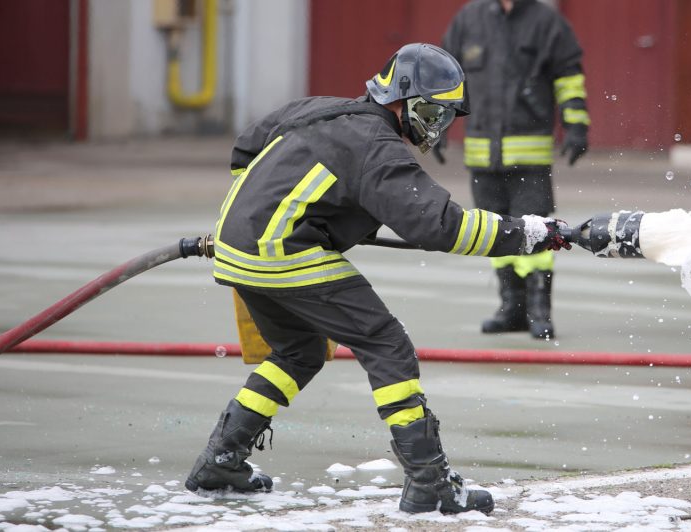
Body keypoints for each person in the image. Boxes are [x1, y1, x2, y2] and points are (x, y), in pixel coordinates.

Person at [184, 43, 571, 515]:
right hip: (281, 251)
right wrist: (530, 232)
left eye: (445, 116)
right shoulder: (377, 148)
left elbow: (245, 151)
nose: (435, 126)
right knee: (387, 345)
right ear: (401, 96)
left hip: (236, 244)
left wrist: (309, 213)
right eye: (433, 111)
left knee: (298, 352)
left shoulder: (320, 109)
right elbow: (441, 225)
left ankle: (220, 463)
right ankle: (430, 481)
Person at [439, 0, 590, 340]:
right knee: (495, 232)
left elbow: (569, 78)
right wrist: (438, 127)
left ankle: (539, 311)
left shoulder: (546, 23)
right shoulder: (469, 20)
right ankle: (512, 310)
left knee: (536, 230)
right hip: (482, 155)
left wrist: (576, 125)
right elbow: (445, 78)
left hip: (529, 156)